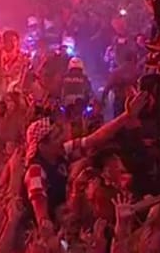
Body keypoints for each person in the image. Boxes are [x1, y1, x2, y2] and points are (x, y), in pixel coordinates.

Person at [24, 91, 149, 227]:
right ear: (42, 146)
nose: (62, 139)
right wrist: (49, 232)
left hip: (69, 215)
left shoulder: (59, 152)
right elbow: (41, 213)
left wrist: (126, 115)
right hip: (55, 227)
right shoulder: (35, 171)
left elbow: (94, 139)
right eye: (56, 137)